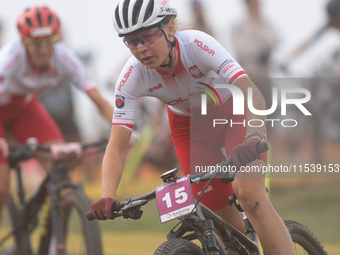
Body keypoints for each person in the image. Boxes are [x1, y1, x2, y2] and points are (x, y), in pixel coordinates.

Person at [91, 0, 295, 254]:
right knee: (221, 226)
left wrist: (253, 135)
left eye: (147, 37)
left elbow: (252, 94)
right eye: (132, 42)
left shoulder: (198, 44)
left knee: (250, 197)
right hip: (190, 131)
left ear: (171, 28)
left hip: (233, 114)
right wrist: (107, 194)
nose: (141, 49)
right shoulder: (131, 77)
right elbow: (118, 144)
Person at [0, 5, 113, 222]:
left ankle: (54, 243)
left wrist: (124, 130)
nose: (44, 50)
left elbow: (98, 99)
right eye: (36, 44)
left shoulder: (64, 57)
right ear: (24, 42)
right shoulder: (9, 58)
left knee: (61, 170)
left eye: (49, 42)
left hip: (25, 108)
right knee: (2, 189)